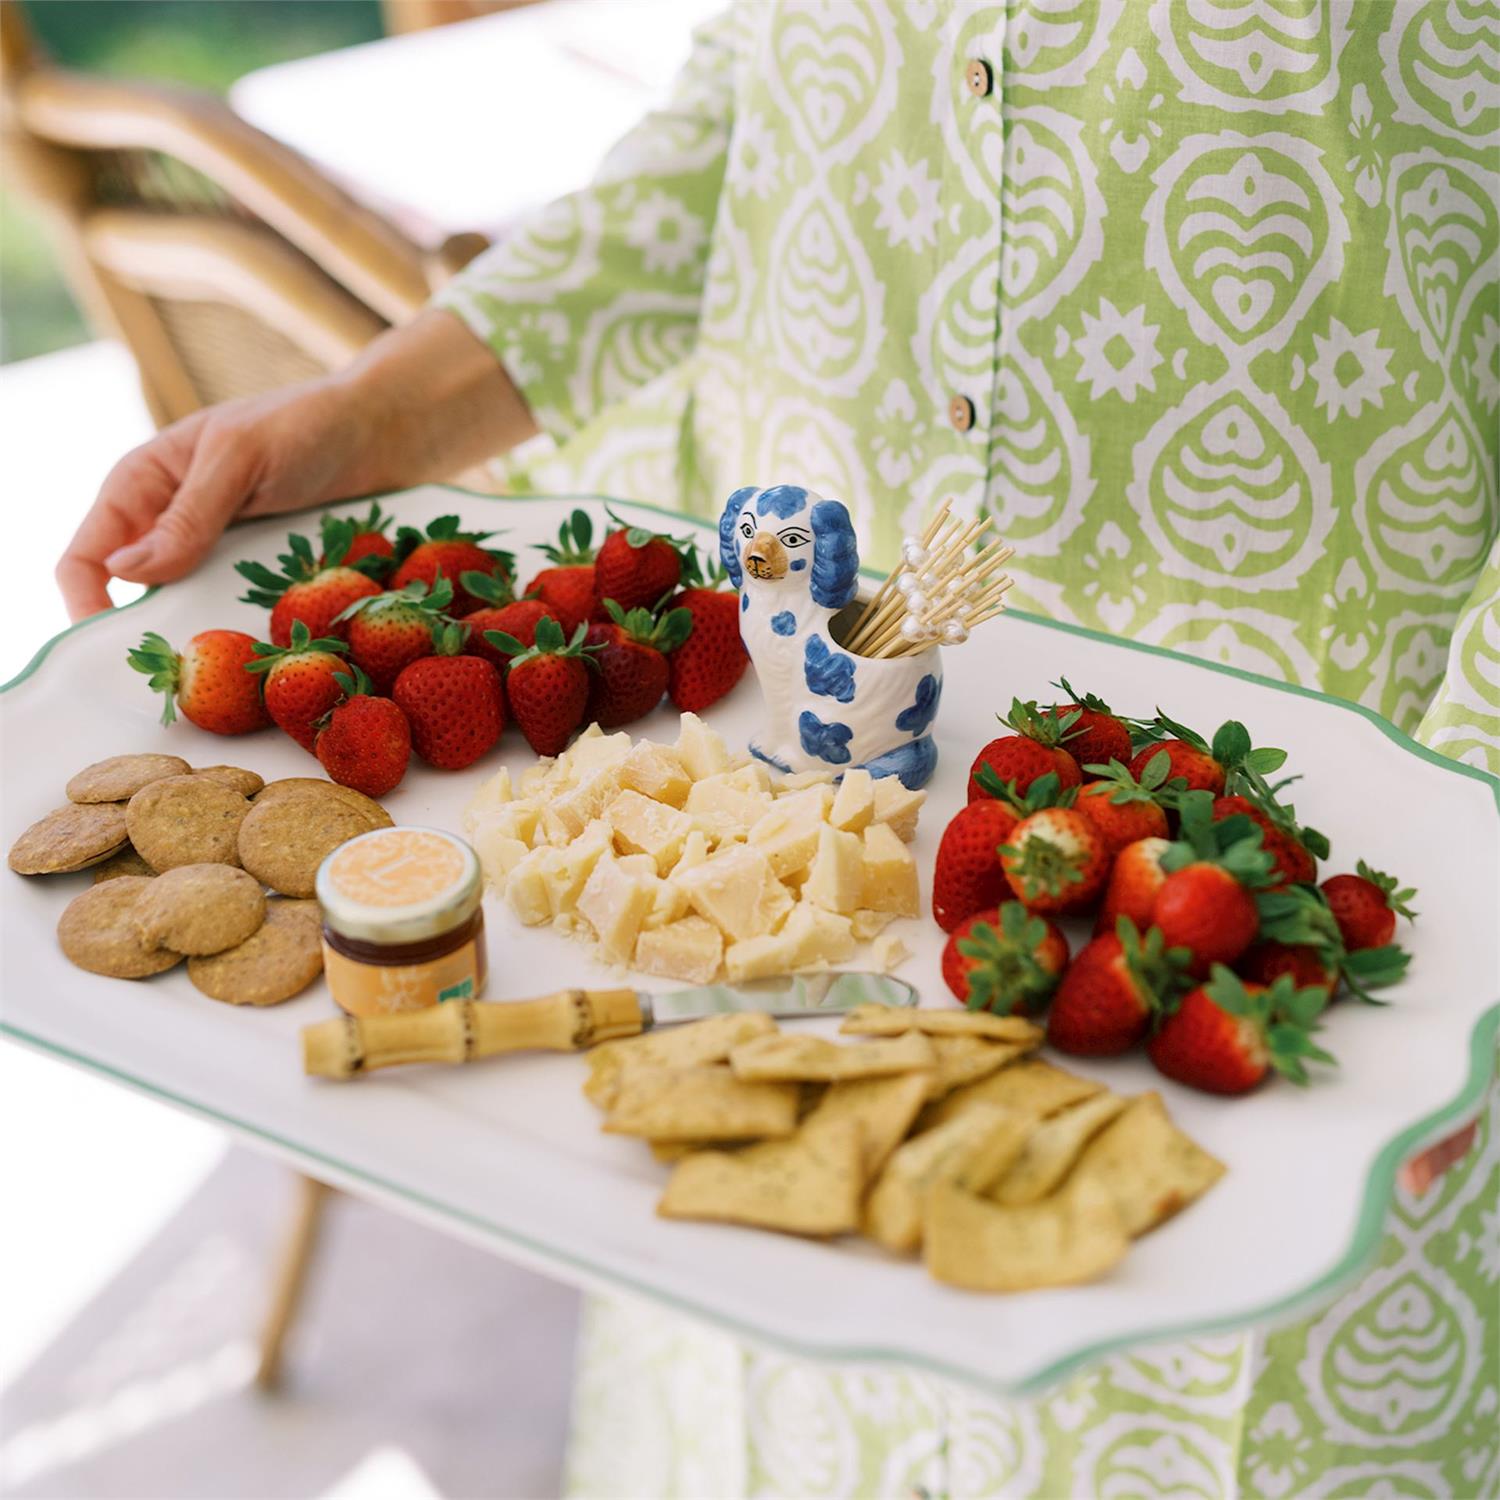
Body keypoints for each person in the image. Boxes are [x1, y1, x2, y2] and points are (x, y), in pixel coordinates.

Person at [57, 4, 1498, 1492]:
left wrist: (1475, 865)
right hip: (772, 807)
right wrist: (374, 413)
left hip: (1292, 857)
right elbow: (742, 114)